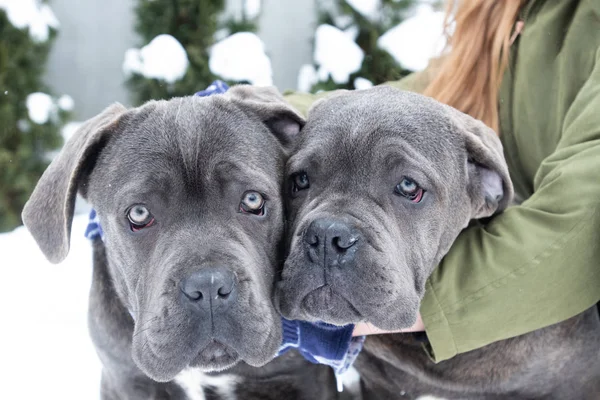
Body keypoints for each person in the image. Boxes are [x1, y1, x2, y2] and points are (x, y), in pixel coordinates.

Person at [284, 0, 600, 362]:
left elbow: (579, 226)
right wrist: (246, 113)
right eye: (302, 181)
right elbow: (402, 102)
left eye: (408, 188)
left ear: (490, 192)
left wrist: (401, 299)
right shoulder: (504, 10)